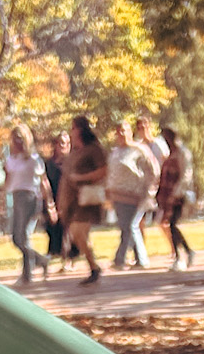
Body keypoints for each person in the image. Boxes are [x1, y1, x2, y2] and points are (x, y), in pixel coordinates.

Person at [59, 115, 108, 284]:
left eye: (73, 128)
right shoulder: (73, 152)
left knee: (78, 231)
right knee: (77, 234)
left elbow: (103, 171)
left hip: (87, 200)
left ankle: (94, 268)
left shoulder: (94, 149)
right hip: (72, 202)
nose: (71, 132)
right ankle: (93, 266)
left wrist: (81, 178)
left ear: (80, 130)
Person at [106, 121, 154, 269]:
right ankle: (137, 259)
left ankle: (123, 260)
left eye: (124, 130)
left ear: (130, 132)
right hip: (118, 197)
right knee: (126, 227)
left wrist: (149, 190)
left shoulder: (139, 150)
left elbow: (152, 169)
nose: (121, 134)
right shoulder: (115, 152)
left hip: (135, 195)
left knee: (130, 226)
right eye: (118, 131)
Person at [3, 123, 46, 284]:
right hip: (15, 197)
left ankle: (27, 275)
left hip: (30, 197)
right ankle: (41, 260)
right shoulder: (10, 160)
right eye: (15, 139)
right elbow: (7, 182)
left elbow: (44, 182)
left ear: (26, 139)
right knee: (16, 238)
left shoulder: (34, 159)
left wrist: (49, 204)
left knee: (24, 236)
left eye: (20, 138)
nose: (17, 142)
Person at [156, 123, 195, 269]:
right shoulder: (170, 154)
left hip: (179, 194)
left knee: (172, 223)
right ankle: (185, 253)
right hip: (168, 194)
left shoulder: (182, 153)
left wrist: (176, 193)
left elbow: (186, 175)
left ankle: (183, 255)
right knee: (169, 224)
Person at [42, 132, 71, 273]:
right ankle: (50, 260)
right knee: (53, 230)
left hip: (69, 201)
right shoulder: (48, 164)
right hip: (53, 200)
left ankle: (68, 260)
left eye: (66, 143)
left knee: (69, 231)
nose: (63, 146)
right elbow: (44, 184)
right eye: (60, 142)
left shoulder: (73, 163)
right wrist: (50, 204)